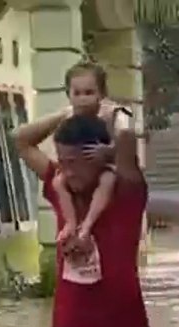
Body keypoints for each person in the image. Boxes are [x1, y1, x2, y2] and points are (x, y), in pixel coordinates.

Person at [12, 87, 179, 327]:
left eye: (79, 163)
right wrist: (69, 112)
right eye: (64, 162)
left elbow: (126, 147)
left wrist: (116, 119)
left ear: (100, 159)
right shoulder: (59, 186)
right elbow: (21, 140)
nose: (70, 171)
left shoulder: (126, 192)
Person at [50, 62, 120, 284]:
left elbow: (125, 142)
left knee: (108, 178)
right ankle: (71, 222)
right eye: (76, 93)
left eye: (89, 93)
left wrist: (108, 152)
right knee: (58, 182)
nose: (82, 99)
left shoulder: (111, 117)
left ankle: (87, 224)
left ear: (102, 94)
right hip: (79, 178)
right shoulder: (67, 122)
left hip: (103, 169)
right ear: (68, 95)